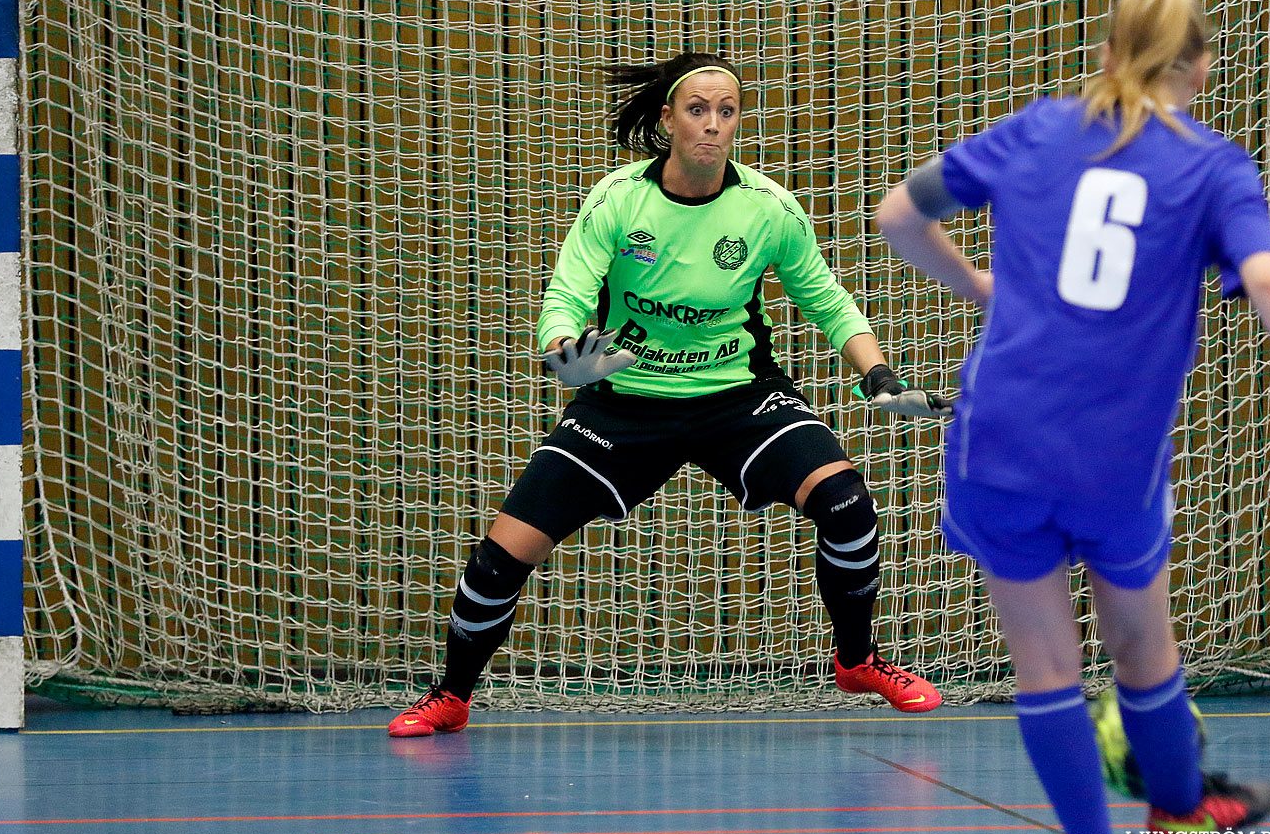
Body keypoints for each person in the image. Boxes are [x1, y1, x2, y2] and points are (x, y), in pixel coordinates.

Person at [874, 0, 1270, 834]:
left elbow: (898, 212)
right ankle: (1178, 803)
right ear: (1200, 65)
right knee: (1143, 653)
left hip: (998, 438)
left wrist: (972, 283)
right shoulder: (1210, 166)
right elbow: (1267, 279)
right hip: (1111, 458)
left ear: (1108, 54)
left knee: (1045, 670)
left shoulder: (1037, 129)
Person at [389, 51, 952, 737]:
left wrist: (879, 375)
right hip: (623, 405)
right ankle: (452, 696)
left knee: (846, 503)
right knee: (504, 554)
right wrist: (565, 357)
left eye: (727, 111)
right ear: (667, 120)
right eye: (697, 110)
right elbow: (565, 298)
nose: (713, 125)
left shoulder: (768, 209)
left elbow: (828, 301)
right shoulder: (620, 200)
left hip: (739, 399)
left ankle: (858, 660)